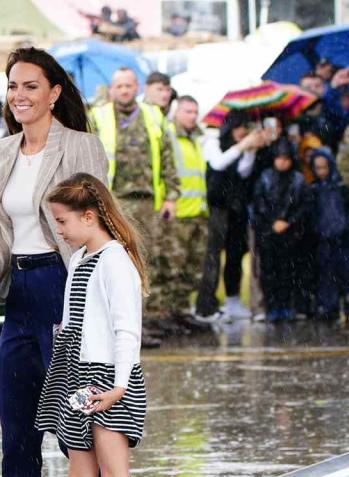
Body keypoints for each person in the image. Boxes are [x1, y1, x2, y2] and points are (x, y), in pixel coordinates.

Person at [0, 46, 157, 477]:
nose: (19, 96)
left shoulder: (82, 146)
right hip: (20, 294)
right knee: (19, 429)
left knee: (84, 434)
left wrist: (84, 301)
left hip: (67, 287)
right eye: (12, 87)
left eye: (30, 86)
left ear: (54, 92)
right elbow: (0, 229)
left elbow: (93, 227)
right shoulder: (3, 149)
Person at [35, 173, 195, 477]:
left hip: (108, 380)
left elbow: (127, 331)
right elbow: (74, 324)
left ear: (89, 216)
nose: (60, 231)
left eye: (64, 221)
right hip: (79, 378)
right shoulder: (83, 258)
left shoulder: (114, 261)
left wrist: (119, 385)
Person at [89, 67, 180, 337]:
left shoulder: (153, 116)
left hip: (147, 201)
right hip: (113, 201)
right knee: (114, 263)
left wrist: (172, 196)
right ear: (112, 89)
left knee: (144, 262)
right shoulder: (99, 116)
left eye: (129, 86)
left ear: (136, 87)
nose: (124, 91)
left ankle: (143, 325)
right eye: (119, 86)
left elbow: (167, 158)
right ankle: (114, 325)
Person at [195, 112, 266, 322]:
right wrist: (242, 147)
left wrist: (251, 150)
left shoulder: (240, 147)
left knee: (235, 253)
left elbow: (243, 172)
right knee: (212, 255)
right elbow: (218, 164)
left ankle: (233, 299)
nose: (242, 132)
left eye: (245, 128)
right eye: (238, 128)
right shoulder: (212, 142)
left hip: (235, 208)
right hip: (215, 206)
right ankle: (206, 303)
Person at [252, 140, 314, 322]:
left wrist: (288, 222)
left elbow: (305, 206)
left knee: (289, 271)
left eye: (286, 158)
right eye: (279, 158)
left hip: (292, 235)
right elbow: (258, 203)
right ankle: (272, 307)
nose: (282, 162)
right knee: (269, 271)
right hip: (269, 234)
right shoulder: (265, 178)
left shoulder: (298, 179)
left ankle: (286, 306)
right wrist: (272, 222)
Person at [166, 96, 210, 322]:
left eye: (195, 112)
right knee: (174, 267)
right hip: (179, 214)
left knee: (193, 268)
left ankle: (183, 311)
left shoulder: (195, 139)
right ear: (177, 112)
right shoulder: (171, 136)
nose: (192, 116)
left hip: (198, 213)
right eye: (187, 111)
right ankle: (168, 314)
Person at [309, 148, 349, 320]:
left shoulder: (342, 188)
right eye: (317, 168)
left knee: (347, 273)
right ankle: (328, 307)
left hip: (344, 239)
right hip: (323, 239)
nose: (321, 172)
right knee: (326, 275)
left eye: (324, 167)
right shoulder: (314, 189)